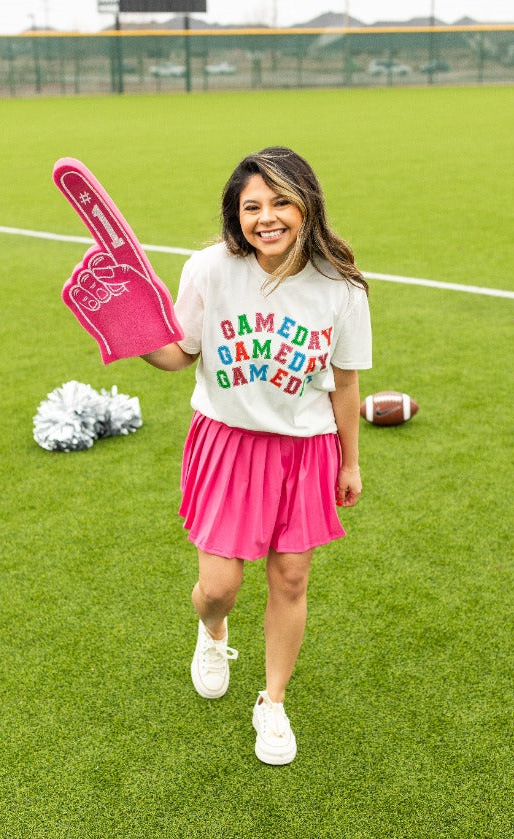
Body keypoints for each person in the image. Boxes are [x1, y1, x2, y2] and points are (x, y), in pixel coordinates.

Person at [141, 146, 372, 765]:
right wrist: (132, 334)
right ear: (235, 214)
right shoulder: (210, 268)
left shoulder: (341, 286)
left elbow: (346, 382)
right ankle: (212, 631)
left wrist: (350, 461)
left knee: (291, 578)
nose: (266, 218)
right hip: (228, 442)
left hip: (305, 448)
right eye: (251, 206)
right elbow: (179, 353)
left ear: (307, 206)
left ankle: (272, 702)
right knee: (218, 588)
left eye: (280, 203)